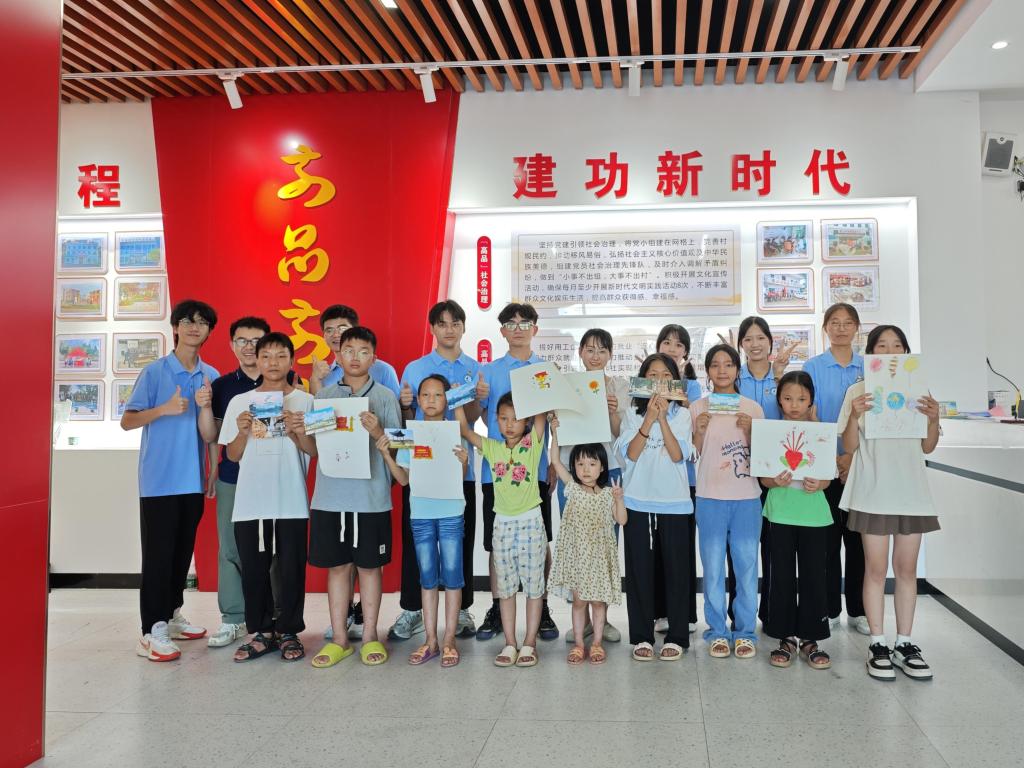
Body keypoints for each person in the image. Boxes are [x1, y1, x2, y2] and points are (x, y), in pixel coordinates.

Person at [838, 325, 941, 681]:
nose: (890, 351)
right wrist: (855, 415)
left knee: (907, 569)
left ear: (906, 352)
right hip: (873, 491)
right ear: (870, 353)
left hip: (911, 492)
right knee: (876, 569)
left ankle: (905, 642)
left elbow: (928, 446)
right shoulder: (857, 391)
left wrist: (934, 418)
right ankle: (878, 643)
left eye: (897, 345)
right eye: (881, 345)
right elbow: (849, 446)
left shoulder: (919, 389)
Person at [122, 299, 219, 662]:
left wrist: (212, 468)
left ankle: (173, 613)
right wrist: (164, 409)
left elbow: (211, 432)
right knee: (158, 556)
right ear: (175, 327)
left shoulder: (209, 375)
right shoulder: (155, 372)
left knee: (181, 553)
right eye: (187, 321)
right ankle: (152, 630)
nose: (195, 327)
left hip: (192, 479)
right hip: (159, 480)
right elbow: (128, 421)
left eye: (202, 322)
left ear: (209, 331)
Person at [306, 326, 401, 668]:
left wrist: (378, 431)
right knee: (337, 567)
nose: (355, 357)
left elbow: (399, 452)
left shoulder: (385, 397)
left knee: (370, 568)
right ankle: (340, 639)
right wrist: (298, 431)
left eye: (363, 351)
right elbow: (314, 449)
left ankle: (371, 635)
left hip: (370, 498)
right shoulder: (324, 397)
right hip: (330, 497)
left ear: (373, 358)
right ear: (338, 355)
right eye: (348, 350)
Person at [218, 333, 314, 663]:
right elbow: (232, 455)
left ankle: (289, 632)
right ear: (257, 360)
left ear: (292, 360)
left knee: (291, 568)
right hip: (251, 501)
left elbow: (315, 451)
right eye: (267, 356)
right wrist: (243, 431)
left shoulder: (306, 401)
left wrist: (297, 431)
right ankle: (260, 632)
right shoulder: (240, 402)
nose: (273, 363)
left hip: (291, 498)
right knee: (254, 569)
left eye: (281, 356)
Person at [389, 300, 480, 643]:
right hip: (420, 472)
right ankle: (413, 608)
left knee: (461, 542)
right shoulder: (415, 368)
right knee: (416, 542)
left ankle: (463, 609)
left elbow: (475, 418)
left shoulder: (474, 369)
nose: (449, 329)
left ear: (464, 327)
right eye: (442, 323)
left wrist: (475, 398)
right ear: (432, 328)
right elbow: (407, 421)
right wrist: (404, 405)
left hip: (459, 470)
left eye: (455, 323)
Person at [474, 303, 558, 642]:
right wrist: (476, 398)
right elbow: (477, 415)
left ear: (535, 329)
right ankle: (498, 607)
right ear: (502, 331)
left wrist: (554, 462)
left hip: (534, 469)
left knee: (541, 540)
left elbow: (555, 419)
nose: (518, 328)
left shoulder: (546, 370)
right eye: (511, 323)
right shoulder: (489, 372)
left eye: (525, 323)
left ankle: (543, 606)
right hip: (495, 470)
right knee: (497, 544)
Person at [377, 374, 470, 668]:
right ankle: (430, 640)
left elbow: (460, 474)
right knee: (427, 577)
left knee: (453, 576)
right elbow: (404, 480)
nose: (431, 400)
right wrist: (387, 455)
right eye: (426, 395)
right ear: (417, 400)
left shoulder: (455, 432)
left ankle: (449, 639)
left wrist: (465, 462)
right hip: (420, 512)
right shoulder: (410, 434)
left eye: (438, 395)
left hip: (451, 511)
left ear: (447, 400)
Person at [457, 394, 548, 667]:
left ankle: (529, 642)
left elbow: (540, 413)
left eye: (516, 419)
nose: (509, 424)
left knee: (534, 589)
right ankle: (510, 643)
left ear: (527, 421)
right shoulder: (492, 448)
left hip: (531, 523)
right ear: (495, 420)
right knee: (506, 589)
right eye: (503, 418)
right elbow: (465, 430)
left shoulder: (533, 444)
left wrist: (537, 385)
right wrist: (458, 401)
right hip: (503, 525)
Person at [615, 353, 695, 662]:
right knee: (639, 571)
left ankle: (677, 636)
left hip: (674, 502)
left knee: (676, 570)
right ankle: (642, 637)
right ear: (643, 379)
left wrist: (663, 418)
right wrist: (649, 418)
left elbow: (677, 455)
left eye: (666, 375)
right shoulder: (632, 414)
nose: (659, 381)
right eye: (653, 375)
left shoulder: (683, 414)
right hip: (637, 500)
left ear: (674, 381)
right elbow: (631, 454)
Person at [691, 344, 764, 659]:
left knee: (746, 567)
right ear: (707, 371)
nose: (722, 370)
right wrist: (699, 431)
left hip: (747, 498)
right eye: (715, 365)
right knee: (712, 568)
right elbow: (691, 454)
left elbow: (764, 456)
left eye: (729, 364)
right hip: (709, 497)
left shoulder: (752, 408)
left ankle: (745, 631)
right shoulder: (697, 408)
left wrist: (751, 432)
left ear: (737, 369)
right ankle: (717, 631)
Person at [555, 328, 628, 646]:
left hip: (607, 469)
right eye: (589, 349)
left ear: (610, 354)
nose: (595, 356)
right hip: (572, 471)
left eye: (602, 350)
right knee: (576, 543)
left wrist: (611, 412)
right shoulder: (566, 385)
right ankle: (580, 620)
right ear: (580, 352)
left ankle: (602, 619)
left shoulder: (618, 386)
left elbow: (621, 432)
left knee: (604, 546)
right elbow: (558, 427)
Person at [759, 371, 833, 670]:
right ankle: (785, 637)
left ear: (811, 401)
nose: (794, 404)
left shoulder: (821, 432)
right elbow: (763, 478)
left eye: (801, 399)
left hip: (814, 516)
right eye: (788, 398)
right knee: (782, 576)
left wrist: (820, 484)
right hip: (779, 513)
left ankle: (811, 639)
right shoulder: (771, 432)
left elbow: (828, 477)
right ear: (779, 400)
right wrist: (774, 480)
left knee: (814, 576)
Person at [804, 303, 868, 634]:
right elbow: (808, 415)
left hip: (862, 464)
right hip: (824, 466)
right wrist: (833, 459)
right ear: (825, 328)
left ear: (857, 328)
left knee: (858, 542)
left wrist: (851, 457)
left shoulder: (869, 368)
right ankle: (829, 607)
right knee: (826, 542)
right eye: (834, 322)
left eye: (848, 323)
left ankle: (859, 609)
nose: (841, 328)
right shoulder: (813, 367)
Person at [727, 316, 794, 626]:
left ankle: (770, 611)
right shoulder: (733, 378)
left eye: (760, 338)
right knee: (738, 549)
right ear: (741, 344)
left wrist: (779, 377)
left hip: (774, 473)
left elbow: (791, 418)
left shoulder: (780, 379)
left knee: (773, 546)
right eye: (748, 339)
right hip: (738, 471)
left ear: (770, 341)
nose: (754, 344)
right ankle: (738, 613)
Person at [207, 316, 269, 649]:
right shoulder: (221, 387)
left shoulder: (286, 381)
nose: (249, 347)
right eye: (242, 340)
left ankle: (272, 618)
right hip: (232, 476)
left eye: (256, 340)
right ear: (232, 345)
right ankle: (233, 617)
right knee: (230, 548)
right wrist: (213, 471)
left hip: (272, 478)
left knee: (272, 549)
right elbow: (215, 435)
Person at [547, 429, 627, 666]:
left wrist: (619, 499)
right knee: (579, 602)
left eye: (592, 464)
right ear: (573, 467)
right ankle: (580, 643)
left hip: (599, 560)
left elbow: (622, 520)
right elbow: (555, 460)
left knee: (598, 603)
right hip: (578, 560)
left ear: (602, 468)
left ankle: (597, 643)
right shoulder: (571, 487)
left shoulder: (608, 494)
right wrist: (556, 433)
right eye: (580, 464)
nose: (585, 469)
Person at [655, 324, 702, 637]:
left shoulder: (693, 386)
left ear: (685, 351)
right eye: (667, 342)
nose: (672, 348)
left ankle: (684, 613)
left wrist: (680, 388)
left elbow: (693, 426)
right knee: (658, 549)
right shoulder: (647, 382)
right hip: (654, 478)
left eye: (679, 344)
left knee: (682, 548)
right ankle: (660, 612)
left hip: (685, 478)